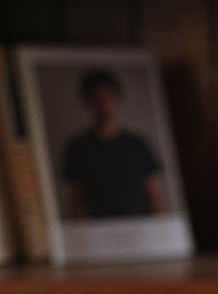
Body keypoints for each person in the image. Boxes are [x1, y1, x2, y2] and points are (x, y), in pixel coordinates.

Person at [61, 69, 166, 219]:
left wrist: (160, 226)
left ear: (118, 99)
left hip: (141, 225)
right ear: (87, 101)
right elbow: (76, 200)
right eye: (97, 97)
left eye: (109, 97)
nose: (104, 104)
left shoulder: (138, 144)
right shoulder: (77, 147)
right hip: (100, 227)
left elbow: (155, 195)